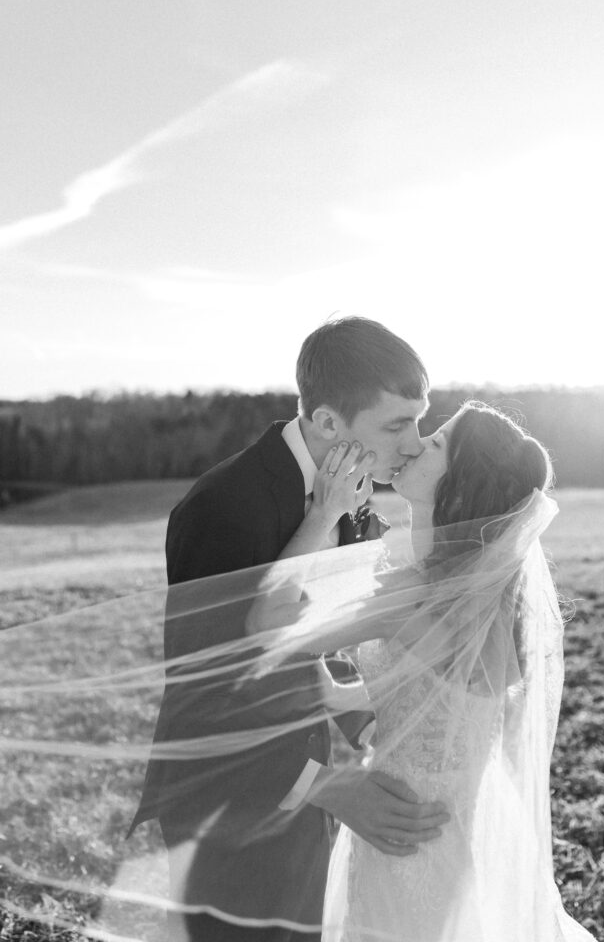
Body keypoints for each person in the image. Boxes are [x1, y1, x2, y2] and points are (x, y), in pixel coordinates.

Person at [127, 316, 450, 942]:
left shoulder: (352, 493)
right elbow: (209, 692)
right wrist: (324, 786)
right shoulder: (224, 507)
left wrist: (373, 723)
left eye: (420, 418)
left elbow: (319, 640)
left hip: (306, 788)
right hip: (228, 806)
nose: (414, 442)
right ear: (329, 423)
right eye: (396, 424)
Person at [249, 400, 598, 941]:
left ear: (458, 484)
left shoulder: (414, 594)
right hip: (462, 827)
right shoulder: (491, 595)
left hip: (406, 843)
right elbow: (433, 709)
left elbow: (268, 625)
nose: (415, 444)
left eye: (435, 443)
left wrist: (324, 512)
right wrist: (329, 692)